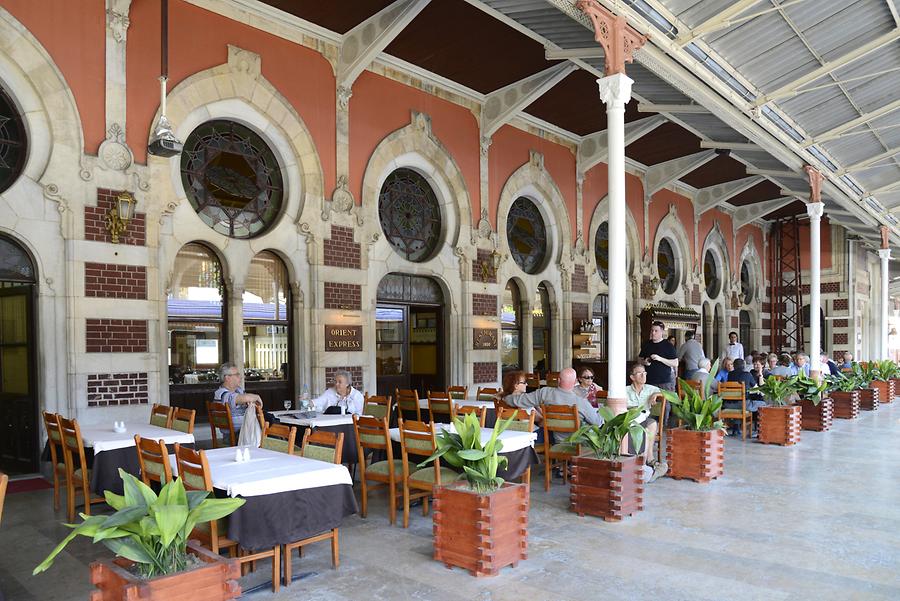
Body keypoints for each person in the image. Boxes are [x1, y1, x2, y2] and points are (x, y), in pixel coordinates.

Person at [507, 367, 600, 432]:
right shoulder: (581, 402)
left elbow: (519, 400)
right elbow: (597, 423)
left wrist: (504, 397)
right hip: (576, 443)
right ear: (575, 381)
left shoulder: (545, 393)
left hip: (554, 439)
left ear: (558, 380)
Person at [625, 363, 667, 483]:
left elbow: (670, 395)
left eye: (645, 373)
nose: (644, 375)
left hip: (644, 419)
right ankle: (642, 464)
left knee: (652, 424)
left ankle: (647, 459)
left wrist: (656, 394)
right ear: (632, 377)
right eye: (640, 373)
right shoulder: (625, 390)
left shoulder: (650, 388)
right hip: (629, 421)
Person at [214, 362, 263, 433]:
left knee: (271, 424)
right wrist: (257, 397)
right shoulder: (221, 393)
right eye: (237, 375)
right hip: (237, 433)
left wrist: (251, 401)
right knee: (271, 430)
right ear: (227, 378)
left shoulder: (238, 390)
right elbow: (244, 398)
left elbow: (249, 399)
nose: (240, 377)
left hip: (246, 429)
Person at [725, 359, 767, 435]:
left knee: (738, 402)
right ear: (744, 366)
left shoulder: (730, 374)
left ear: (734, 366)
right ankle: (760, 430)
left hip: (730, 405)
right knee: (763, 404)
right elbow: (755, 388)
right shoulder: (747, 374)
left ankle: (736, 428)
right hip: (744, 405)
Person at [639, 321, 679, 391]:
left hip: (664, 382)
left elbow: (675, 363)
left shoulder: (668, 345)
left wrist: (660, 359)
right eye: (652, 330)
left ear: (662, 332)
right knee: (649, 402)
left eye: (656, 331)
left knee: (665, 402)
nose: (653, 333)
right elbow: (639, 359)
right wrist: (644, 362)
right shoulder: (646, 344)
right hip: (649, 381)